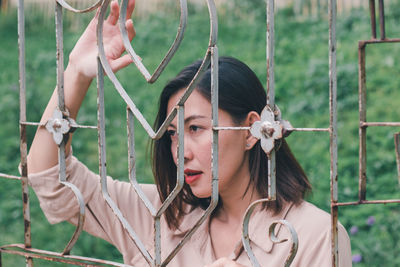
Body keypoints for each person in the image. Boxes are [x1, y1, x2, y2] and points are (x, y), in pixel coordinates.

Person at [26, 0, 352, 266]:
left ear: (252, 130)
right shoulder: (158, 214)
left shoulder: (314, 236)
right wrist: (76, 74)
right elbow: (52, 180)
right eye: (171, 134)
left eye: (196, 128)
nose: (180, 151)